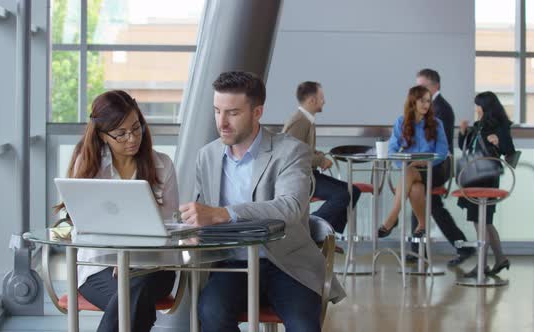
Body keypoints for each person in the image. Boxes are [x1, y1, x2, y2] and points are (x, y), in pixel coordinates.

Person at [179, 71, 345, 332]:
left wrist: (224, 213)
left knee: (303, 326)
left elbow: (289, 207)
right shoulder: (207, 156)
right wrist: (195, 230)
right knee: (211, 313)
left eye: (233, 113)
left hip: (287, 265)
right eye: (217, 111)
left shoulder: (290, 151)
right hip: (232, 264)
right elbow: (203, 210)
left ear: (257, 112)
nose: (221, 122)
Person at [54, 90, 177, 332]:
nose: (132, 138)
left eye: (136, 127)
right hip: (99, 268)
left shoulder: (163, 166)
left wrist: (134, 257)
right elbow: (85, 224)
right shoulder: (89, 166)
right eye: (120, 134)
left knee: (132, 294)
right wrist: (117, 256)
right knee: (132, 302)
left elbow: (170, 227)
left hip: (153, 269)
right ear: (102, 135)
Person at [411, 69, 475, 266]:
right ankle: (459, 247)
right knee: (429, 203)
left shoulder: (440, 109)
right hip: (431, 165)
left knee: (416, 191)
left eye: (423, 86)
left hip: (438, 167)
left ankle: (418, 250)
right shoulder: (433, 106)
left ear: (435, 86)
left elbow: (435, 143)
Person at [282, 81, 361, 237]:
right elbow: (291, 155)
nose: (324, 101)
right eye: (321, 97)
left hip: (310, 174)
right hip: (300, 178)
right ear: (312, 100)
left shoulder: (306, 120)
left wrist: (318, 155)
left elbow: (303, 149)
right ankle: (314, 228)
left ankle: (326, 235)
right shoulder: (299, 121)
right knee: (344, 194)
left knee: (354, 191)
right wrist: (320, 161)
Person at [377, 85, 449, 239]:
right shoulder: (401, 122)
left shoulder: (436, 123)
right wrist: (404, 164)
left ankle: (393, 216)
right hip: (410, 171)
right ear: (412, 101)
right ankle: (423, 224)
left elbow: (442, 153)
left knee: (409, 171)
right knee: (415, 188)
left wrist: (422, 162)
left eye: (428, 101)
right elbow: (391, 151)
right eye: (422, 101)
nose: (426, 105)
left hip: (434, 170)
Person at [458, 91, 515, 276]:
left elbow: (509, 151)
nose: (476, 109)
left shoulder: (499, 126)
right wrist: (462, 133)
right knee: (484, 221)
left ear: (486, 107)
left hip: (487, 177)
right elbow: (465, 147)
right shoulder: (478, 125)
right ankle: (500, 259)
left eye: (478, 105)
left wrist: (498, 142)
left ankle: (482, 265)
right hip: (473, 175)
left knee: (481, 220)